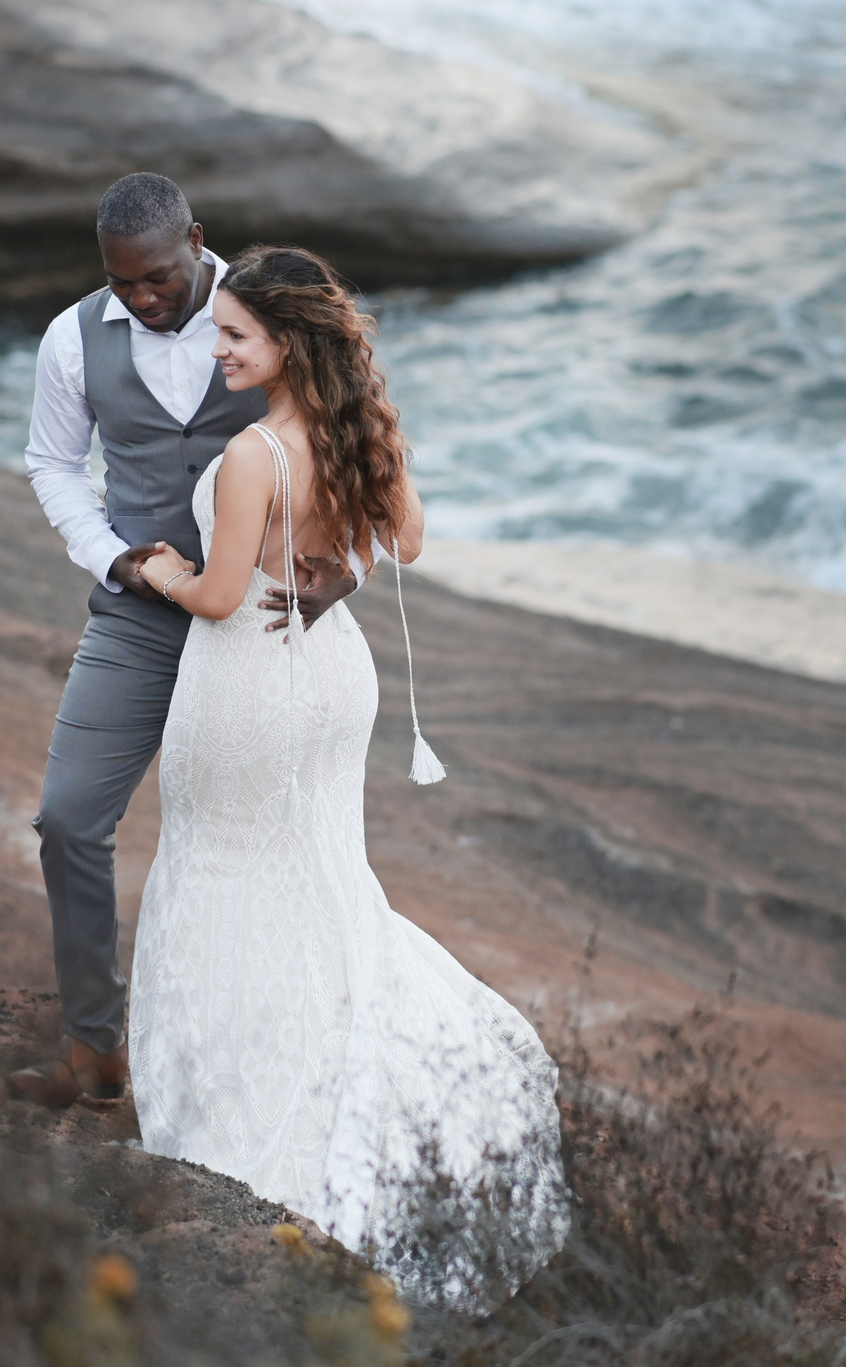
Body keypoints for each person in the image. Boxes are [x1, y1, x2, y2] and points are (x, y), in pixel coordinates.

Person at [123, 245, 566, 1293]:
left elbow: (224, 596)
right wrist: (335, 572)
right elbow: (403, 542)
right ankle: (345, 1055)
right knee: (321, 875)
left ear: (286, 343)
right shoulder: (360, 428)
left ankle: (240, 1110)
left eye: (234, 333)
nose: (217, 347)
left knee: (218, 865)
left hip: (247, 687)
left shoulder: (250, 459)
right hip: (331, 677)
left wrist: (158, 568)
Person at [8, 177, 358, 1110]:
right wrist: (113, 555)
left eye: (157, 277)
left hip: (262, 627)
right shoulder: (71, 338)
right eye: (122, 284)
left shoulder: (264, 322)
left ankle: (294, 1061)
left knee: (260, 842)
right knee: (68, 819)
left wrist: (347, 566)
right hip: (141, 615)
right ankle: (96, 1050)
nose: (143, 299)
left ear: (196, 241)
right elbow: (52, 461)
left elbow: (356, 442)